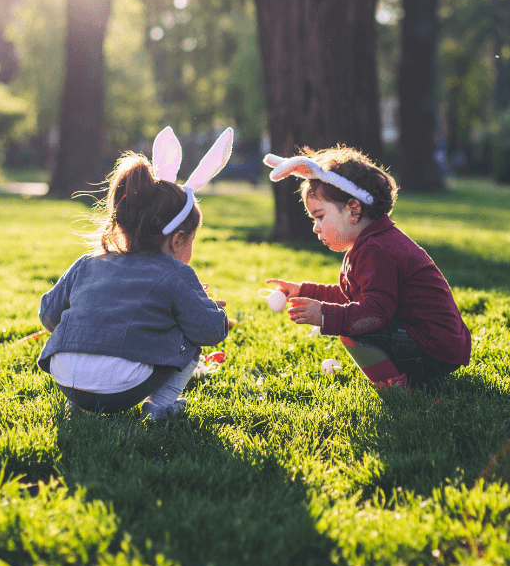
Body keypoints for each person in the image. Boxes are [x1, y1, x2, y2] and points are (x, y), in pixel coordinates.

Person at [37, 127, 233, 420]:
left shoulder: (88, 263)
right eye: (191, 241)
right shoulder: (176, 273)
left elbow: (48, 314)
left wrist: (87, 335)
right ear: (178, 240)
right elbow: (209, 331)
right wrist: (208, 307)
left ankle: (79, 402)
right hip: (123, 386)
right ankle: (160, 405)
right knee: (189, 335)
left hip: (64, 377)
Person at [263, 146, 471, 392]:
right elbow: (351, 296)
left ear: (353, 209)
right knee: (350, 318)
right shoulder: (370, 243)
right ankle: (404, 377)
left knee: (351, 328)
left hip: (434, 349)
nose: (315, 228)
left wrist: (326, 316)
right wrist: (302, 290)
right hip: (436, 344)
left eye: (319, 216)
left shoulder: (378, 249)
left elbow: (376, 313)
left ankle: (396, 387)